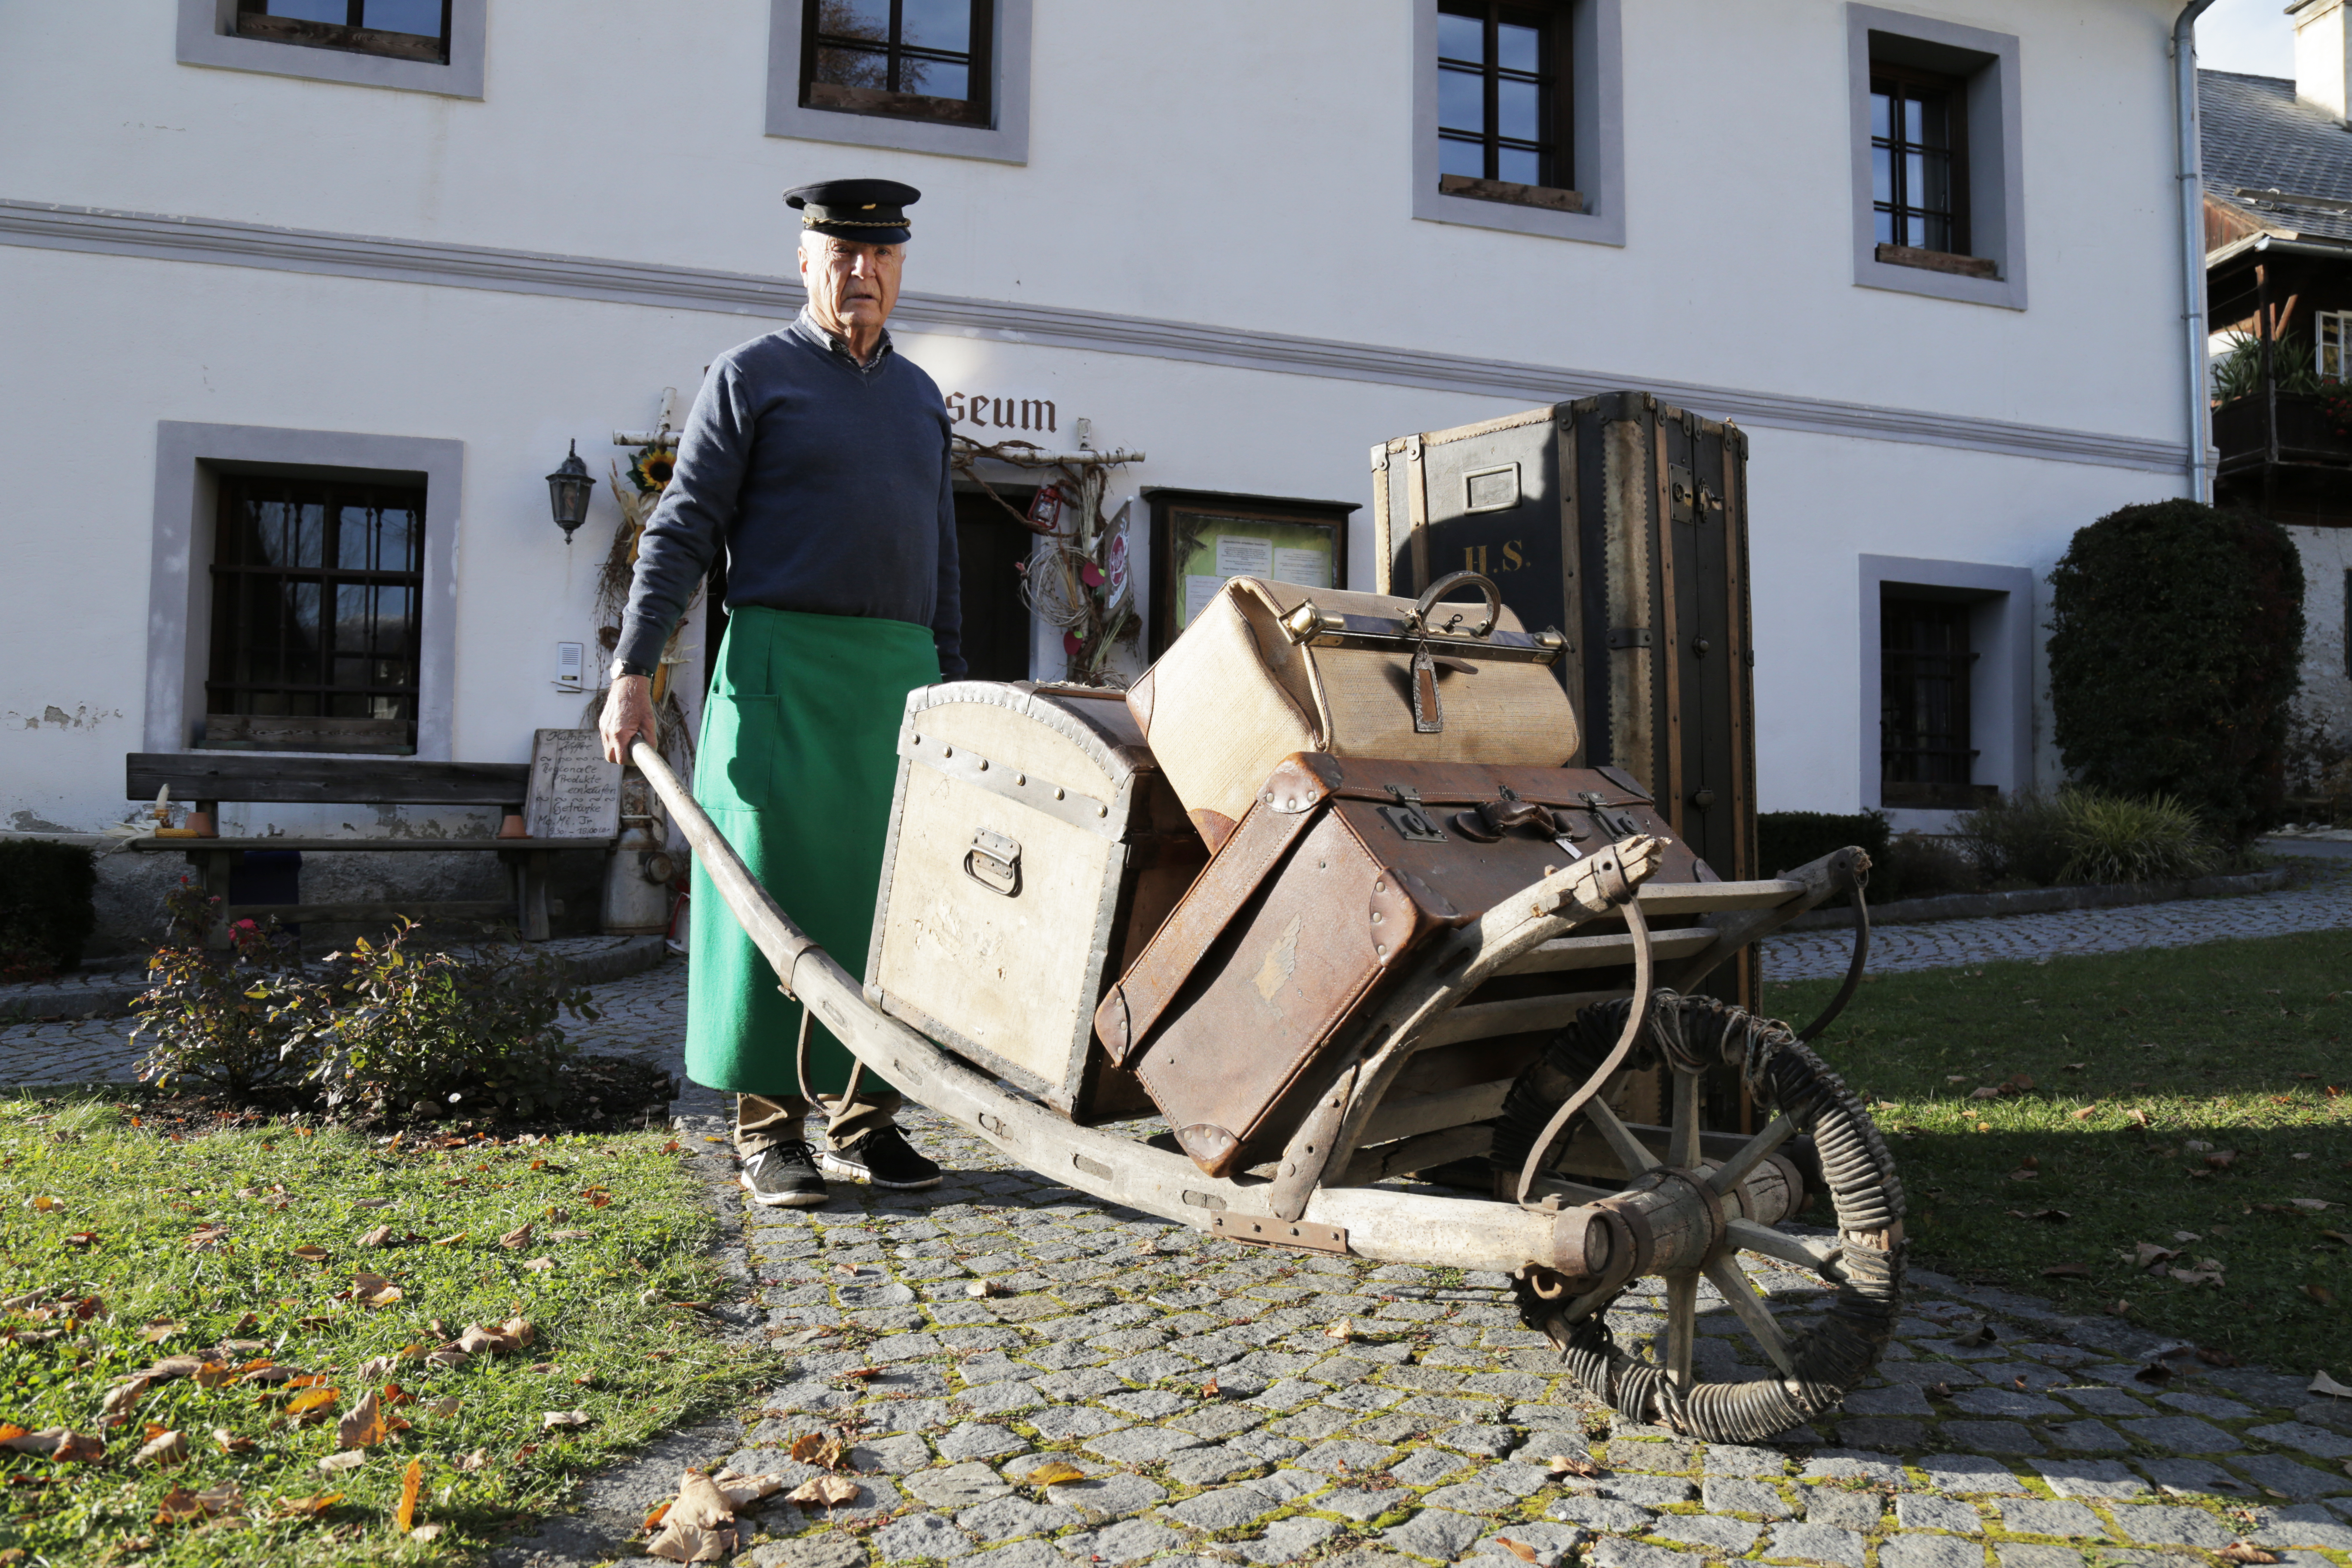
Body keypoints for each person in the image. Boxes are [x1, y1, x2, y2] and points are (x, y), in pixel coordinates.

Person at [601, 177, 961, 1207]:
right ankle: (770, 1132)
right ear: (806, 263)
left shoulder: (921, 396)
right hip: (778, 676)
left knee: (885, 909)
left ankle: (864, 1120)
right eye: (842, 254)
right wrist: (634, 672)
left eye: (881, 255)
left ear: (901, 267)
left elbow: (942, 557)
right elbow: (680, 529)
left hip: (894, 686)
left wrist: (953, 686)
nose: (863, 273)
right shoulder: (750, 376)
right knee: (769, 898)